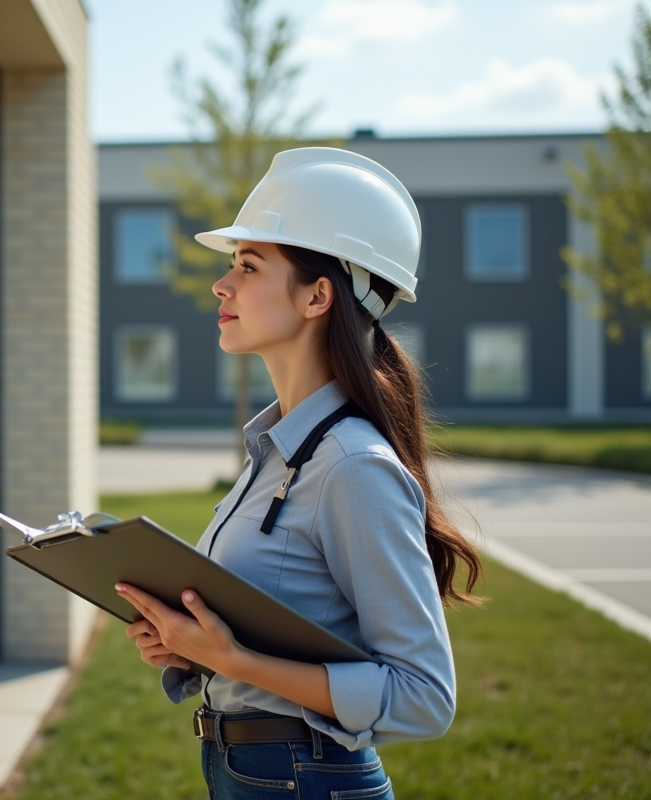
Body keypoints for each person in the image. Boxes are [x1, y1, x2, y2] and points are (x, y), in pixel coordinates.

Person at [115, 147, 482, 800]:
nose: (220, 286)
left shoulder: (352, 467)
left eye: (248, 267)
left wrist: (237, 661)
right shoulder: (277, 450)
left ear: (317, 295)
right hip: (253, 773)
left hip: (306, 780)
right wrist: (188, 644)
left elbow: (425, 697)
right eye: (231, 266)